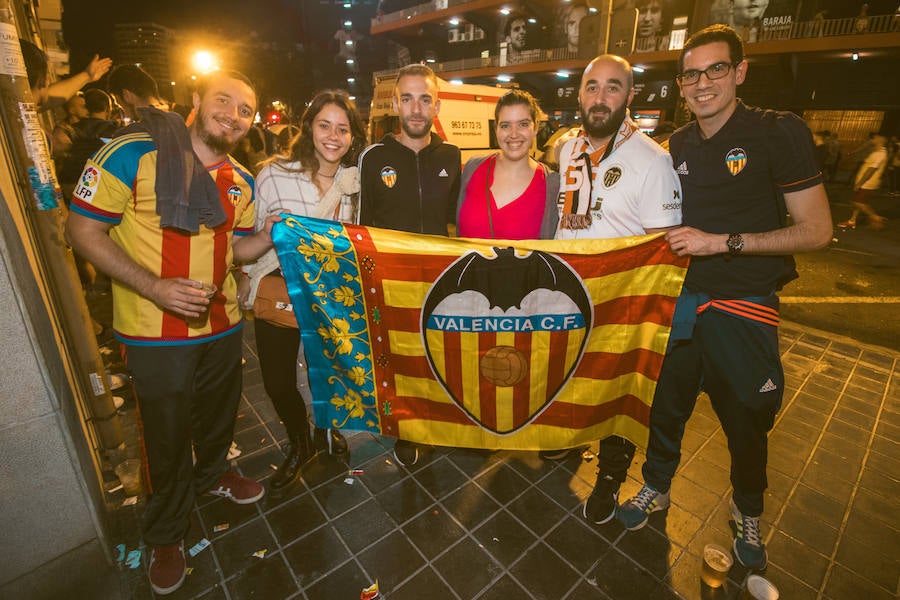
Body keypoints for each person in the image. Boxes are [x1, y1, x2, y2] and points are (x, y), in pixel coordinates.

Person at [617, 25, 832, 571]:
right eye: (692, 74)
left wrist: (722, 243)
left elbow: (816, 231)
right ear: (681, 86)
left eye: (716, 69)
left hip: (745, 304)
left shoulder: (777, 132)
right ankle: (657, 486)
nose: (703, 83)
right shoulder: (678, 145)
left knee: (747, 416)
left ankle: (747, 509)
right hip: (685, 302)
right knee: (667, 406)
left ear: (739, 71)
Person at [66, 70, 279, 596]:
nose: (232, 114)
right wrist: (155, 287)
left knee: (217, 419)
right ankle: (165, 531)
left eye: (245, 109)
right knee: (163, 438)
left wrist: (273, 235)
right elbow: (81, 230)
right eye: (223, 100)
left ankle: (212, 476)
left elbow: (235, 249)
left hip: (223, 326)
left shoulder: (240, 180)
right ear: (196, 101)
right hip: (153, 332)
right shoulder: (130, 153)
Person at [551, 55, 683, 529]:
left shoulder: (652, 159)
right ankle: (571, 439)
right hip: (572, 299)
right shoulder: (569, 150)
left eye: (612, 87)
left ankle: (610, 477)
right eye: (591, 87)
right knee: (573, 378)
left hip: (623, 307)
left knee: (620, 395)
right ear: (580, 94)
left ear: (630, 96)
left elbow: (663, 250)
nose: (600, 97)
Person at [240, 90, 365, 491]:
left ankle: (328, 434)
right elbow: (250, 235)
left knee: (325, 376)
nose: (333, 136)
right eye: (324, 125)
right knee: (277, 382)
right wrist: (252, 258)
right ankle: (300, 442)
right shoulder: (274, 173)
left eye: (342, 129)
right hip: (280, 288)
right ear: (308, 127)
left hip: (329, 297)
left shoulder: (358, 182)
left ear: (352, 136)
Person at [358, 63, 461, 466]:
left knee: (436, 355)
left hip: (437, 281)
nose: (416, 109)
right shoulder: (374, 157)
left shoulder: (452, 156)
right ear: (395, 103)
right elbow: (363, 226)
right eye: (407, 99)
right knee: (399, 361)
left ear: (437, 104)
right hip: (392, 282)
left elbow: (457, 221)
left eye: (424, 99)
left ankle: (435, 420)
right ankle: (407, 430)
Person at [457, 90, 559, 240]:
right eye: (505, 126)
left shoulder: (552, 184)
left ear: (536, 127)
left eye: (523, 124)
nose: (514, 134)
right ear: (496, 129)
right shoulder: (473, 169)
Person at [838, 133, 888, 230]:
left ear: (880, 139)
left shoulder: (880, 154)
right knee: (860, 201)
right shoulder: (876, 151)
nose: (872, 140)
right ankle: (852, 221)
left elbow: (871, 170)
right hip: (866, 182)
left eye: (874, 138)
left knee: (857, 202)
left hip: (867, 183)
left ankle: (875, 217)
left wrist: (860, 183)